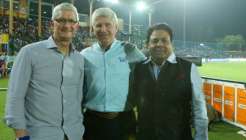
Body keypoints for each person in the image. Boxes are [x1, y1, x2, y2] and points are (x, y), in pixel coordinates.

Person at [5, 3, 84, 140]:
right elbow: (15, 96)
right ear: (52, 23)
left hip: (73, 134)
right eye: (61, 20)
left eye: (71, 21)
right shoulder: (29, 53)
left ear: (76, 25)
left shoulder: (79, 59)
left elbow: (78, 98)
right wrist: (21, 135)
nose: (67, 25)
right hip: (40, 135)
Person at [132, 23, 208, 140]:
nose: (159, 44)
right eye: (155, 41)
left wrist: (201, 137)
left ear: (171, 44)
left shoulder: (189, 68)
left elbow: (199, 110)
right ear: (147, 44)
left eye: (164, 40)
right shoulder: (138, 69)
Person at [80, 7, 146, 140]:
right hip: (92, 121)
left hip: (123, 120)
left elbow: (150, 73)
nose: (103, 29)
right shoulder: (84, 55)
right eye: (98, 25)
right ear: (92, 29)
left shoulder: (130, 51)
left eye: (108, 25)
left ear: (116, 27)